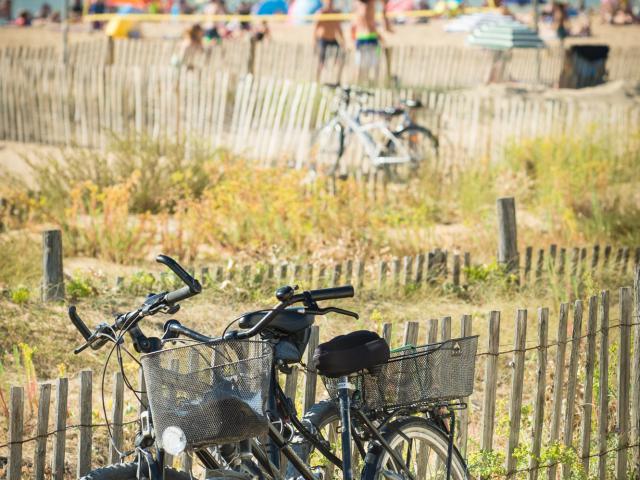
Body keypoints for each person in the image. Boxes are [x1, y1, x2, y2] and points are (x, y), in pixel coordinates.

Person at [351, 0, 392, 83]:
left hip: (362, 38)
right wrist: (381, 37)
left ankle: (362, 85)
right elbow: (370, 25)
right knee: (371, 67)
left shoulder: (358, 4)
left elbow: (353, 27)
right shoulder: (368, 5)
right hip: (369, 39)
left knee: (363, 67)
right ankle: (368, 84)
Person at [313, 0, 344, 80]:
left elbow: (338, 28)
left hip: (333, 39)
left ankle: (336, 80)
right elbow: (315, 29)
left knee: (340, 59)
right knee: (321, 62)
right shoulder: (321, 13)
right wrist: (314, 42)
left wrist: (343, 41)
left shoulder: (335, 13)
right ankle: (317, 80)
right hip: (323, 40)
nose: (329, 3)